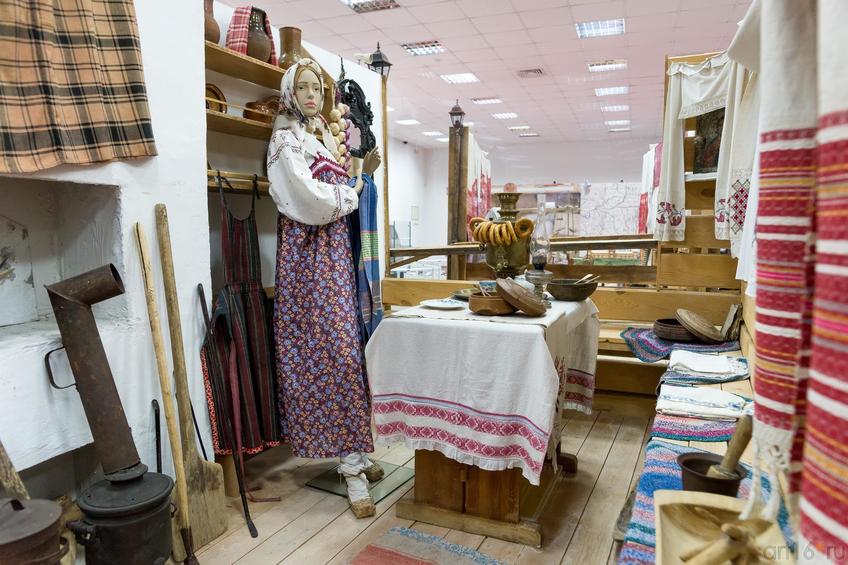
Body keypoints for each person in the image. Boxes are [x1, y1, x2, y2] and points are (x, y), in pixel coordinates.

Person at [266, 58, 382, 518]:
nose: (312, 95)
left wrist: (357, 177)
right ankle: (350, 464)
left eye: (317, 87)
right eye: (304, 87)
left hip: (332, 257)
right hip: (309, 263)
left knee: (348, 351)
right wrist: (355, 189)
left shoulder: (317, 136)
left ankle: (355, 452)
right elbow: (309, 198)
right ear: (290, 93)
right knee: (332, 352)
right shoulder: (285, 141)